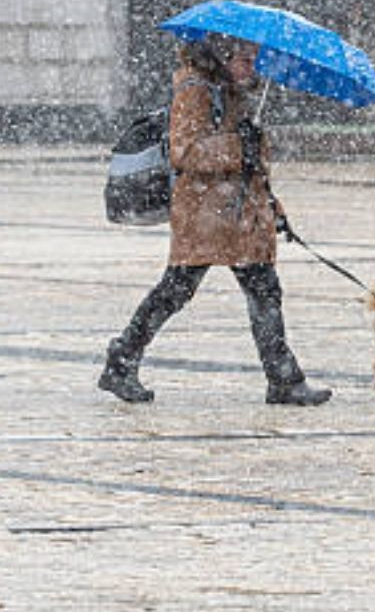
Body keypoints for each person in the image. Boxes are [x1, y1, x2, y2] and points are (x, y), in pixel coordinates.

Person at [98, 34, 331, 406]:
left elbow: (248, 161)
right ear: (223, 56)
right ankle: (121, 360)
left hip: (242, 216)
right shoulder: (195, 89)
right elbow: (185, 151)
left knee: (265, 291)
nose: (251, 66)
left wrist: (272, 204)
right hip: (205, 216)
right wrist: (239, 146)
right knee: (175, 291)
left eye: (254, 58)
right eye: (244, 58)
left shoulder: (236, 93)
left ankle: (284, 379)